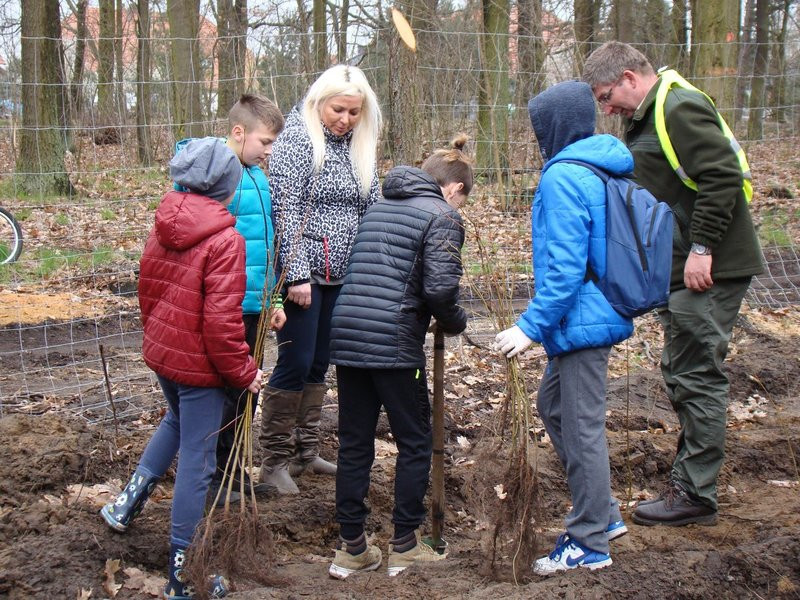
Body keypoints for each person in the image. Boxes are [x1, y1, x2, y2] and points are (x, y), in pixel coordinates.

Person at [583, 42, 763, 527]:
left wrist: (703, 248)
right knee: (683, 369)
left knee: (696, 374)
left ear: (627, 76)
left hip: (709, 267)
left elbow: (722, 176)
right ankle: (691, 482)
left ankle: (696, 494)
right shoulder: (648, 114)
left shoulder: (677, 106)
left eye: (606, 96)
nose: (606, 108)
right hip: (686, 266)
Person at [100, 137, 263, 599]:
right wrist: (245, 371)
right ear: (228, 189)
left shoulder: (162, 225)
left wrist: (160, 345)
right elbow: (221, 326)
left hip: (165, 357)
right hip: (202, 372)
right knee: (198, 460)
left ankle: (125, 504)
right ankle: (183, 573)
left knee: (174, 422)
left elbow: (147, 296)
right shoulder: (226, 241)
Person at [493, 81, 634, 575]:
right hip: (592, 314)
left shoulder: (564, 177)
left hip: (582, 319)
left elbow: (566, 268)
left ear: (552, 127)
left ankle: (589, 539)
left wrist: (529, 328)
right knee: (552, 405)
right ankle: (605, 513)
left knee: (580, 423)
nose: (536, 138)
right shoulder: (598, 165)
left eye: (538, 128)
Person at [326, 136, 472, 579]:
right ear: (453, 189)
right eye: (463, 201)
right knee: (414, 440)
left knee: (354, 443)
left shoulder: (379, 207)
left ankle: (351, 548)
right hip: (393, 345)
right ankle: (406, 544)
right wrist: (456, 321)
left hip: (349, 338)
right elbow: (441, 289)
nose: (460, 208)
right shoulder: (443, 216)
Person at [259, 64, 383, 495]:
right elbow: (285, 205)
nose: (345, 119)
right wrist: (295, 274)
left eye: (353, 112)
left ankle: (304, 453)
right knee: (295, 359)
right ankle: (273, 462)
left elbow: (371, 206)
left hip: (344, 273)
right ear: (319, 102)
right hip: (303, 273)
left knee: (320, 361)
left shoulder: (359, 145)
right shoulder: (296, 137)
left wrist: (369, 269)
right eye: (338, 109)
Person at [176, 94, 287, 503]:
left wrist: (273, 300)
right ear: (238, 133)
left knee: (248, 393)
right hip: (225, 307)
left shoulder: (256, 175)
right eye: (265, 142)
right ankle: (210, 478)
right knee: (222, 395)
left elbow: (267, 245)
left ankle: (232, 468)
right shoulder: (214, 177)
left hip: (255, 304)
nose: (269, 151)